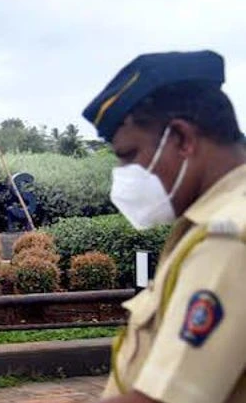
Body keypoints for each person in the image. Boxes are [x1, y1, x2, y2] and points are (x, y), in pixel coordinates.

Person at [82, 50, 246, 403]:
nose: (124, 178)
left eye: (129, 156)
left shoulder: (229, 239)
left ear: (183, 139)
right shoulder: (211, 223)